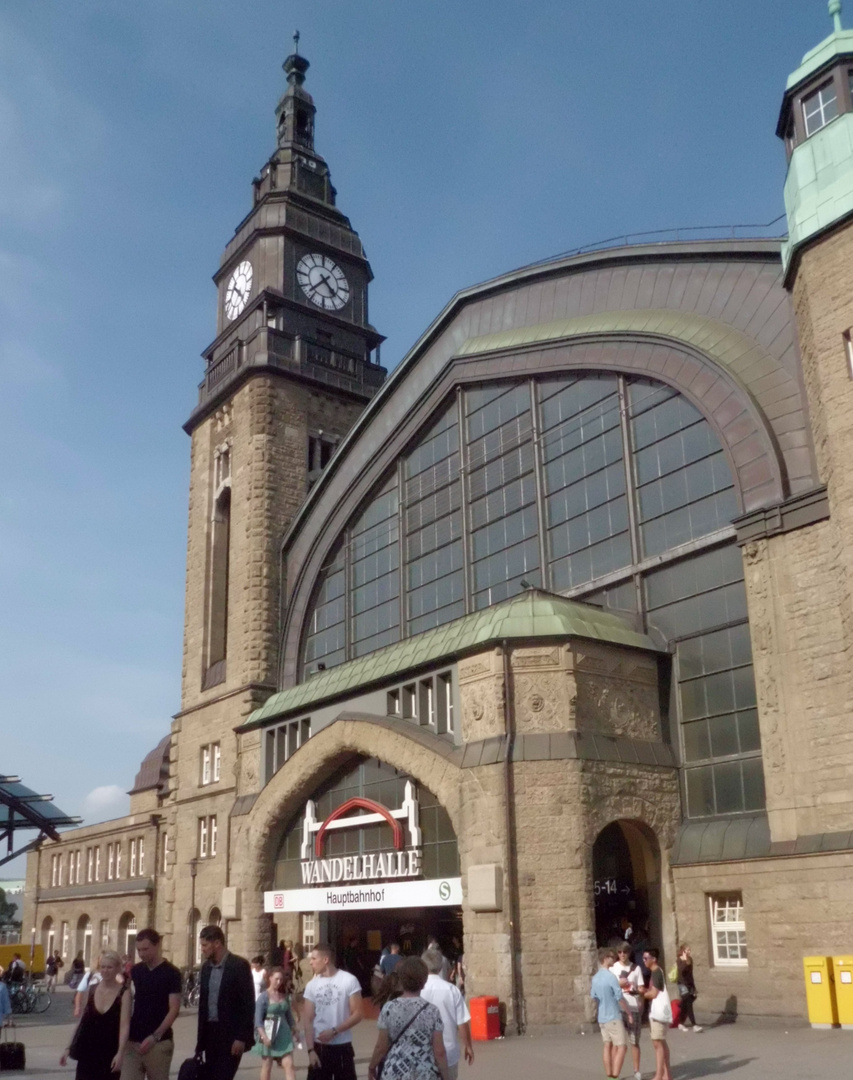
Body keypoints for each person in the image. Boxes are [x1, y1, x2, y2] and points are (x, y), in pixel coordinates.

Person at [368, 956, 449, 1080]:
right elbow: (439, 1051)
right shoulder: (432, 1011)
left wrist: (372, 1067)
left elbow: (381, 1046)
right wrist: (446, 1076)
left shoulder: (389, 1008)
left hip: (394, 1073)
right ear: (424, 981)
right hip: (424, 1074)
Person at [119, 927, 182, 1080]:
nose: (141, 954)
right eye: (139, 950)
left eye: (145, 949)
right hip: (133, 1041)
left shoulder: (172, 973)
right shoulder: (136, 971)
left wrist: (155, 1036)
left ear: (157, 945)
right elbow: (125, 1001)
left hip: (158, 1043)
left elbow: (174, 1009)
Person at [196, 924, 255, 1080]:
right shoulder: (206, 968)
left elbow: (247, 1004)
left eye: (204, 945)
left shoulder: (238, 966)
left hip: (230, 1036)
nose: (202, 949)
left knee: (223, 1076)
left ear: (217, 943)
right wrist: (200, 1042)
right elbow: (203, 1005)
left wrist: (241, 1037)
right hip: (210, 1034)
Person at [61, 951, 130, 1080]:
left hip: (110, 1052)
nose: (105, 970)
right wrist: (68, 1047)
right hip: (88, 1051)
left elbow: (124, 1026)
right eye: (103, 967)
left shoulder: (124, 993)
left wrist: (120, 1052)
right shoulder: (92, 989)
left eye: (109, 967)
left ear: (118, 969)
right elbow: (82, 1021)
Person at [302, 941, 363, 1080]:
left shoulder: (348, 980)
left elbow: (358, 1014)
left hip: (342, 1046)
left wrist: (335, 1031)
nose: (310, 962)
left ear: (325, 960)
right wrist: (310, 1050)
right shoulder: (312, 985)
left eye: (313, 959)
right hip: (319, 1047)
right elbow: (308, 1019)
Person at [420, 948, 473, 1080]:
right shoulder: (452, 990)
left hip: (423, 1053)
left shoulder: (418, 990)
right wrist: (468, 1046)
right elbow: (462, 1022)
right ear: (440, 967)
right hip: (449, 1052)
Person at [590, 947, 629, 1080]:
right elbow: (619, 997)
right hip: (613, 1015)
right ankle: (614, 1076)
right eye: (611, 957)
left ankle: (609, 1075)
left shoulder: (595, 978)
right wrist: (628, 1013)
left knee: (607, 1045)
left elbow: (594, 996)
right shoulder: (611, 977)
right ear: (605, 959)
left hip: (602, 1017)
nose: (614, 958)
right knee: (622, 1047)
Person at [252, 967, 296, 1080]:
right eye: (276, 979)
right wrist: (264, 1036)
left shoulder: (284, 995)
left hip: (284, 1033)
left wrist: (294, 1029)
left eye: (281, 979)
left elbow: (289, 1015)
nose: (279, 982)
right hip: (269, 1033)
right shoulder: (263, 997)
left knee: (289, 1064)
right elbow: (258, 1021)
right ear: (270, 978)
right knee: (267, 1065)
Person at [613, 944, 644, 1080]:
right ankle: (614, 1073)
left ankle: (636, 1070)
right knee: (617, 1043)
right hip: (618, 1008)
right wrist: (619, 984)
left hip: (633, 1006)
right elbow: (610, 987)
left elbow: (642, 988)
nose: (622, 954)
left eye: (625, 952)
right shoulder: (613, 968)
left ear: (629, 953)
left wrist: (637, 994)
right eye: (619, 952)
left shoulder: (636, 968)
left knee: (634, 1041)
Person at [642, 948, 672, 1080]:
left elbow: (654, 994)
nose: (643, 961)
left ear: (653, 959)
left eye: (645, 958)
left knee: (657, 1043)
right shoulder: (656, 972)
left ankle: (659, 1075)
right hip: (657, 1012)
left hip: (657, 1013)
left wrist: (641, 993)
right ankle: (667, 1075)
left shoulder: (656, 973)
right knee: (661, 1042)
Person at [676, 944, 702, 1032]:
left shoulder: (690, 960)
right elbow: (680, 971)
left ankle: (680, 1023)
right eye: (687, 950)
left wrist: (693, 987)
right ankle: (694, 1025)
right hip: (682, 984)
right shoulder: (679, 960)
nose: (689, 952)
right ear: (683, 951)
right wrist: (684, 959)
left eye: (690, 950)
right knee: (689, 1004)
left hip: (689, 984)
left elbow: (690, 974)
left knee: (686, 1004)